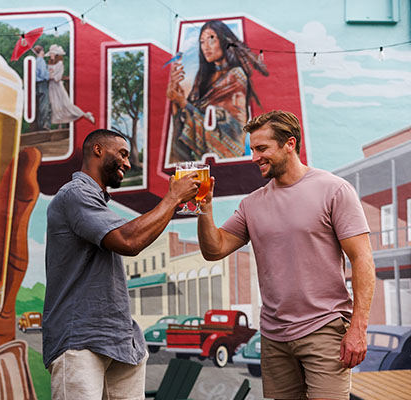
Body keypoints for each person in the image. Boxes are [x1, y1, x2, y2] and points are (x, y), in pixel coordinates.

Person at [197, 110, 375, 400]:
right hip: (274, 338)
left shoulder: (334, 189)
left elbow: (362, 260)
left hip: (324, 329)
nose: (254, 157)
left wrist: (357, 327)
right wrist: (204, 208)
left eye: (262, 148)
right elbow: (214, 250)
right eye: (252, 149)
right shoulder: (252, 204)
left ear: (289, 144)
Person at [43, 129, 199, 399]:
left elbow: (132, 237)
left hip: (121, 342)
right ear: (98, 150)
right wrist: (172, 198)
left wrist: (176, 202)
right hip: (81, 341)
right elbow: (129, 241)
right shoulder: (75, 195)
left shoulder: (97, 203)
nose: (128, 163)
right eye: (123, 154)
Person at [167, 20, 268, 162]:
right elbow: (188, 115)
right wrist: (177, 99)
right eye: (202, 42)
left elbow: (230, 127)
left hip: (223, 157)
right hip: (196, 156)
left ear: (224, 41)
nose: (205, 47)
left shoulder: (236, 76)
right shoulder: (203, 78)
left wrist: (182, 102)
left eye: (211, 39)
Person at [46, 44, 95, 124]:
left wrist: (51, 76)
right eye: (50, 54)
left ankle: (84, 115)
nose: (51, 55)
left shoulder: (60, 64)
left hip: (57, 86)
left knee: (66, 104)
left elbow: (58, 76)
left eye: (52, 53)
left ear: (56, 54)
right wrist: (48, 74)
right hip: (51, 86)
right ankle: (57, 121)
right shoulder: (50, 63)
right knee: (54, 104)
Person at [33, 45, 51, 130]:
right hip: (42, 83)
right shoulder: (41, 61)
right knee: (44, 104)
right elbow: (44, 75)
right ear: (41, 52)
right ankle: (43, 125)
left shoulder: (35, 61)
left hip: (36, 84)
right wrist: (49, 73)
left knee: (39, 104)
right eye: (43, 51)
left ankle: (40, 124)